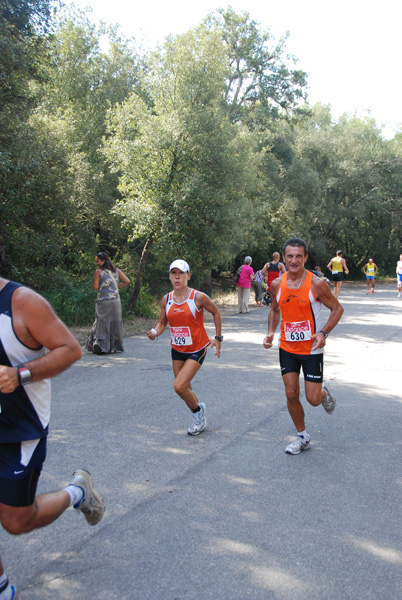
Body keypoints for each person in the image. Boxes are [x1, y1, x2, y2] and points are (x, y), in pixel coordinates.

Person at [0, 235, 105, 600]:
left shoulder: (23, 303)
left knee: (16, 521)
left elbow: (70, 349)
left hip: (19, 430)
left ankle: (78, 492)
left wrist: (20, 374)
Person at [263, 237, 344, 455]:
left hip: (311, 349)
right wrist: (270, 333)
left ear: (305, 258)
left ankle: (324, 392)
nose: (294, 260)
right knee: (290, 394)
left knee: (313, 399)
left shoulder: (316, 283)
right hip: (287, 348)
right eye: (290, 256)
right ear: (284, 258)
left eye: (299, 256)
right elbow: (274, 310)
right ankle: (302, 436)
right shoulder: (277, 284)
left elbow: (337, 309)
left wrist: (323, 332)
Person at [147, 259, 222, 436]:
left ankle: (198, 414)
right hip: (178, 349)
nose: (177, 277)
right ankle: (199, 410)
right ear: (170, 277)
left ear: (188, 276)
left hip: (197, 348)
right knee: (185, 386)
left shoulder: (198, 297)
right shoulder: (167, 299)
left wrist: (218, 338)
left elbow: (216, 312)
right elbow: (162, 322)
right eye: (174, 274)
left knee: (179, 387)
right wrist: (155, 332)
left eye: (181, 273)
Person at [86, 251, 130, 354]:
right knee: (115, 322)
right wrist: (115, 288)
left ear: (103, 261)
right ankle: (113, 347)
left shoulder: (99, 272)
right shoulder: (116, 271)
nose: (96, 263)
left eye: (97, 261)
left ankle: (101, 345)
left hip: (103, 301)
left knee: (102, 322)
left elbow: (95, 287)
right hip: (116, 301)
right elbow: (127, 281)